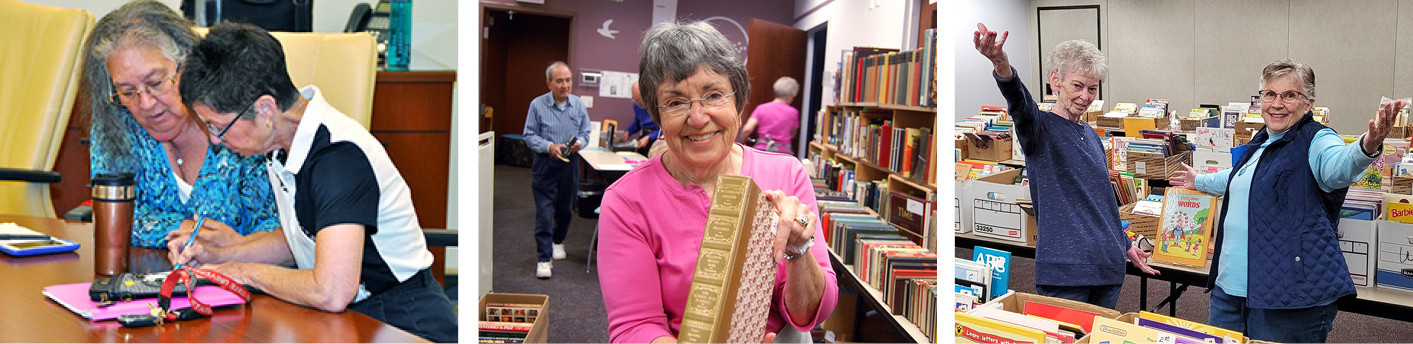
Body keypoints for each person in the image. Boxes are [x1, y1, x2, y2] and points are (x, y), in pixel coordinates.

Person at [170, 23, 457, 342]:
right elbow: (303, 239)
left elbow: (332, 290)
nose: (215, 140)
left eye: (218, 127)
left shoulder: (339, 158)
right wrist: (226, 254)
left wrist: (242, 270)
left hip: (402, 323)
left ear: (265, 108)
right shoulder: (283, 142)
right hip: (346, 319)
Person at [597, 21, 837, 343]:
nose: (698, 118)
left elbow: (812, 313)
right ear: (658, 115)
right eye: (676, 102)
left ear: (738, 104)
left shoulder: (786, 174)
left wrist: (798, 251)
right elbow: (635, 326)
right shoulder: (627, 200)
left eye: (713, 95)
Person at [1169, 59, 1404, 342]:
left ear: (1308, 103)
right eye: (1269, 94)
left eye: (1289, 95)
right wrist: (1199, 180)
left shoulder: (1317, 139)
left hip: (1288, 296)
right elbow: (1240, 178)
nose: (1276, 103)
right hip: (1230, 290)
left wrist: (1367, 145)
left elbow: (1337, 168)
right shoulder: (1262, 141)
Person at [974, 23, 1158, 309]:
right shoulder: (1039, 129)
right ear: (1055, 81)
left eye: (1092, 88)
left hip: (1108, 269)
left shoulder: (1092, 137)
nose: (1085, 96)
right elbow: (1020, 104)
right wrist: (1001, 64)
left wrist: (1124, 244)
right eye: (1078, 86)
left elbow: (1102, 203)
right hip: (1066, 272)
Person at [83, 0, 279, 249]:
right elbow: (112, 216)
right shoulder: (117, 121)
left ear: (186, 60)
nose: (145, 103)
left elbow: (281, 225)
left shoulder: (235, 115)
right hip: (153, 278)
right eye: (128, 91)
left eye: (155, 83)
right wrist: (191, 232)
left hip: (249, 280)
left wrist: (238, 249)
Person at [522, 61, 592, 279]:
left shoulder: (578, 104)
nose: (565, 85)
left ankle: (557, 241)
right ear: (549, 83)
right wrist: (549, 147)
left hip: (569, 165)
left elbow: (586, 131)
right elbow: (529, 135)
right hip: (546, 164)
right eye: (559, 80)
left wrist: (580, 142)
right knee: (544, 213)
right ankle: (544, 258)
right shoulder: (537, 105)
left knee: (565, 209)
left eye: (568, 80)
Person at [738, 76, 800, 154]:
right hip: (783, 154)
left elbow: (747, 129)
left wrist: (742, 144)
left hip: (762, 151)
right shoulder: (793, 112)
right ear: (789, 96)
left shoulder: (761, 108)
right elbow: (793, 134)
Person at [622, 81, 661, 156]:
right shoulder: (636, 105)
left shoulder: (659, 106)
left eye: (639, 100)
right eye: (634, 99)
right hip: (644, 137)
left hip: (657, 140)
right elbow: (637, 122)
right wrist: (628, 132)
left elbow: (665, 129)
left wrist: (650, 137)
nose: (637, 103)